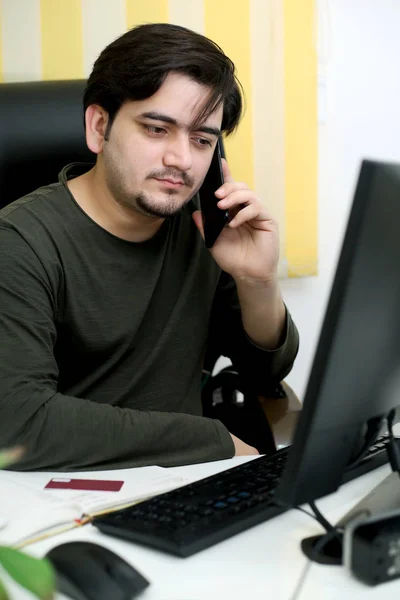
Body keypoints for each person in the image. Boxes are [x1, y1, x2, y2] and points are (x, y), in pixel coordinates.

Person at [0, 23, 299, 471]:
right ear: (100, 126)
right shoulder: (20, 242)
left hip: (177, 488)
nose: (181, 159)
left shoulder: (204, 230)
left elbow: (265, 376)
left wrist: (256, 280)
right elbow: (19, 424)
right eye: (158, 129)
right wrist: (211, 439)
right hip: (60, 494)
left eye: (202, 140)